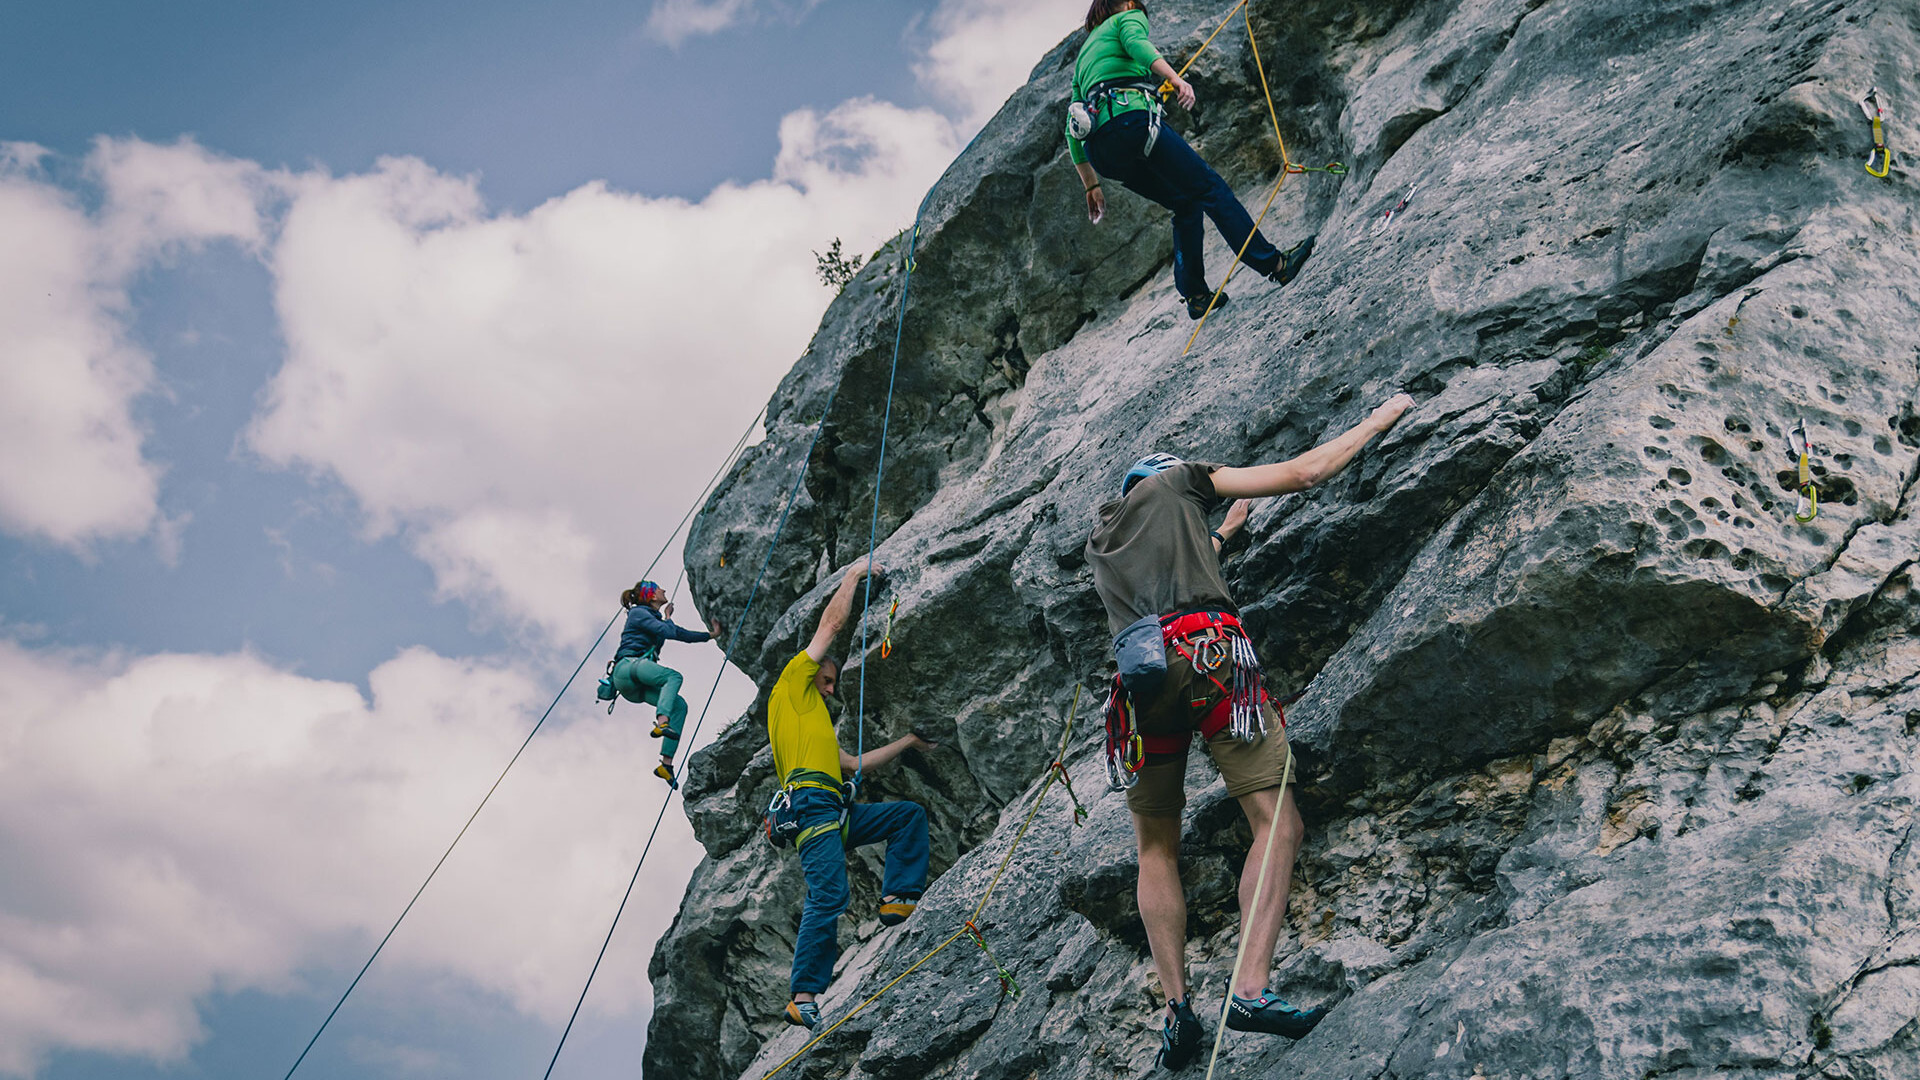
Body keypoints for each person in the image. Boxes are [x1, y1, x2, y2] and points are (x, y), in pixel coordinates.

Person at [1085, 393, 1414, 1069]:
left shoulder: (1104, 537)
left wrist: (1227, 529)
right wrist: (1382, 419)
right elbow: (1302, 473)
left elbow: (1187, 554)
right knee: (1277, 822)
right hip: (1208, 659)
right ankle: (1253, 988)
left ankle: (1177, 1010)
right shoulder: (1181, 480)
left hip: (1140, 694)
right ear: (1173, 477)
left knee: (1155, 850)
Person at [1066, 0, 1316, 322]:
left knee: (1184, 204)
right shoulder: (1126, 19)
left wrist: (1092, 185)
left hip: (1102, 153)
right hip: (1132, 124)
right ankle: (1276, 266)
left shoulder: (1084, 56)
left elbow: (1072, 126)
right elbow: (1137, 44)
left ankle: (1197, 296)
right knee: (1210, 188)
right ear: (1128, 3)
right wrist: (1178, 79)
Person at [771, 557, 936, 1030]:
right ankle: (802, 995)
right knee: (830, 894)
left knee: (908, 816)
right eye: (826, 680)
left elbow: (851, 765)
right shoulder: (791, 689)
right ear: (808, 675)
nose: (829, 690)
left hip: (832, 807)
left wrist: (907, 743)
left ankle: (898, 899)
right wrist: (854, 575)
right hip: (811, 804)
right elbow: (832, 623)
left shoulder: (816, 722)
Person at [599, 580, 721, 786]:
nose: (663, 590)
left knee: (680, 706)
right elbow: (667, 631)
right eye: (658, 589)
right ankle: (662, 723)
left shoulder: (651, 617)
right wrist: (668, 619)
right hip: (627, 668)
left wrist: (711, 636)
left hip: (635, 685)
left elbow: (680, 634)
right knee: (673, 677)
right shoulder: (638, 613)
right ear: (652, 597)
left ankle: (666, 765)